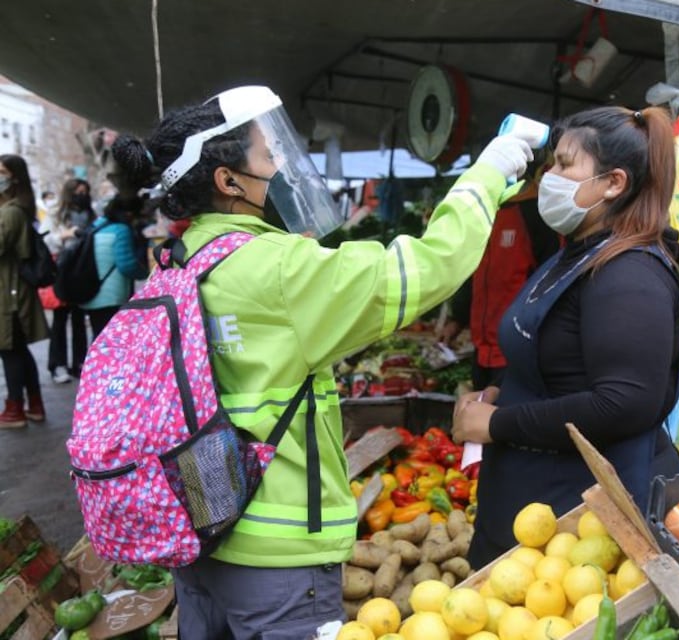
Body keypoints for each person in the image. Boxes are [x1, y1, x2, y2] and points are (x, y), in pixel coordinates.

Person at [110, 85, 532, 638]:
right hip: (278, 555)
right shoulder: (276, 267)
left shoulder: (176, 263)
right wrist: (489, 173)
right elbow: (428, 266)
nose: (280, 163)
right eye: (267, 154)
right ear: (227, 180)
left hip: (202, 532)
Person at [451, 106, 679, 568]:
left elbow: (625, 401)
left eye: (563, 164)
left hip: (576, 524)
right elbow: (560, 358)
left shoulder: (630, 275)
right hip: (533, 510)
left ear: (614, 183)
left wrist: (497, 424)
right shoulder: (580, 251)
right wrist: (504, 391)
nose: (549, 176)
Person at [439, 178, 560, 390]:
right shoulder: (483, 216)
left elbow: (550, 280)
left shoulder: (536, 214)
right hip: (481, 350)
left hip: (516, 353)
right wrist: (456, 319)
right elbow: (471, 273)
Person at [0, 155, 49, 428]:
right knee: (17, 350)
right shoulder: (17, 209)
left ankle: (14, 409)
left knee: (10, 350)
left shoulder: (10, 212)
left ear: (14, 177)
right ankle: (34, 405)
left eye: (2, 172)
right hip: (14, 290)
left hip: (10, 293)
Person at [41, 178, 94, 381]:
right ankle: (58, 365)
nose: (81, 195)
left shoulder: (90, 214)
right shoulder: (56, 213)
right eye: (78, 192)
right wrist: (64, 235)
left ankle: (79, 363)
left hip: (82, 270)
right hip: (61, 269)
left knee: (79, 318)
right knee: (60, 319)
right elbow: (45, 240)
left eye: (85, 191)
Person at [78, 195, 149, 338]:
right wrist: (147, 274)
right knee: (112, 339)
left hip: (92, 289)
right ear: (129, 213)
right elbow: (126, 265)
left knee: (99, 337)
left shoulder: (97, 225)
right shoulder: (121, 230)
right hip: (112, 294)